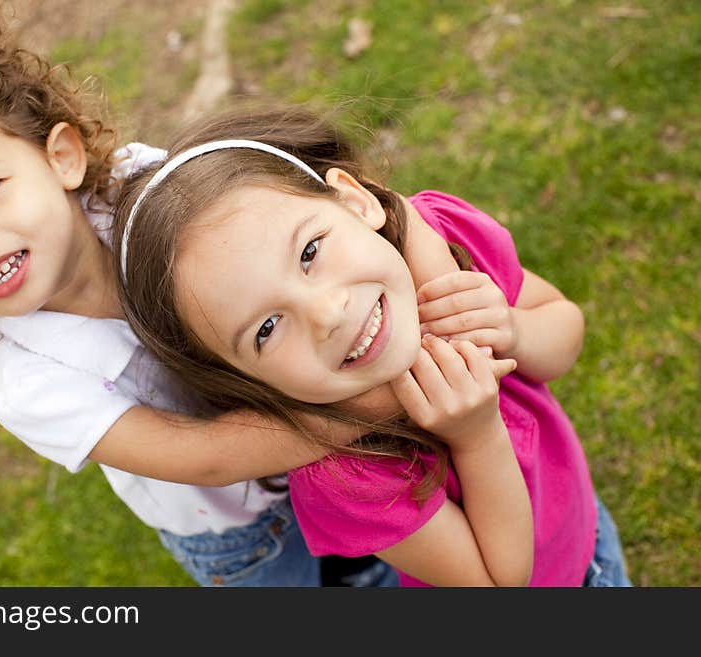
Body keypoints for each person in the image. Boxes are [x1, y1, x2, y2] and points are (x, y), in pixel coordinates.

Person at [0, 9, 401, 587]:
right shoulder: (35, 388)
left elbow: (292, 216)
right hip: (243, 534)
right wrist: (370, 405)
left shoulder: (141, 191)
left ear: (62, 158)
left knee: (387, 548)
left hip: (310, 426)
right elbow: (208, 456)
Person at [112, 105, 633, 586]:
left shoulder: (450, 249)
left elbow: (566, 328)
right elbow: (499, 581)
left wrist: (514, 330)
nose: (327, 315)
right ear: (244, 379)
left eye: (310, 251)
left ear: (356, 201)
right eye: (266, 328)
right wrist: (476, 438)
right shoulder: (346, 473)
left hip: (585, 529)